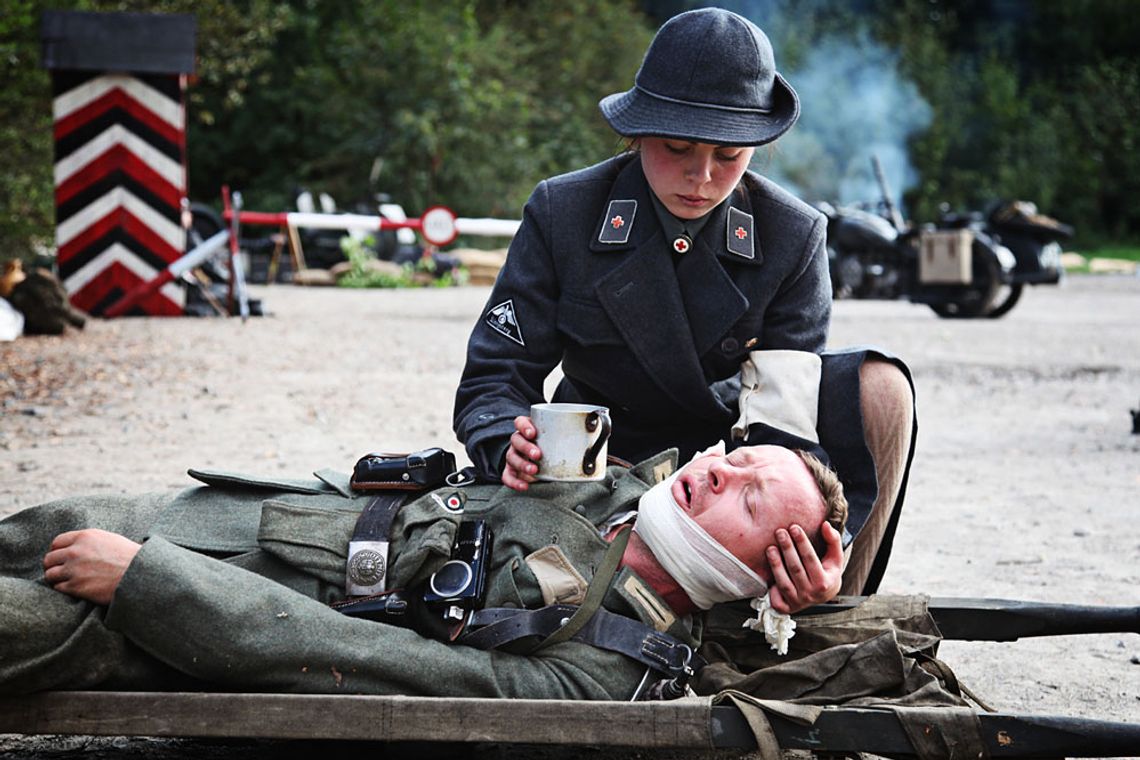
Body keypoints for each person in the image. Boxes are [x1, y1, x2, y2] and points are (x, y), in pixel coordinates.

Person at [453, 8, 914, 601]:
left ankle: (825, 605)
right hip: (592, 471)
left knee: (881, 387)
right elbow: (495, 375)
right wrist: (507, 443)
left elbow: (783, 430)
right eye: (677, 146)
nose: (701, 176)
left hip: (724, 471)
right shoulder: (564, 212)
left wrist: (818, 544)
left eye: (729, 155)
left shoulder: (792, 235)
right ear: (638, 131)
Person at [0, 443, 845, 700]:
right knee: (40, 523)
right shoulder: (615, 477)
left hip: (179, 624)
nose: (718, 470)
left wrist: (149, 585)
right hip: (231, 520)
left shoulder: (609, 663)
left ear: (764, 565)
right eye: (737, 457)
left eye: (750, 496)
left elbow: (386, 667)